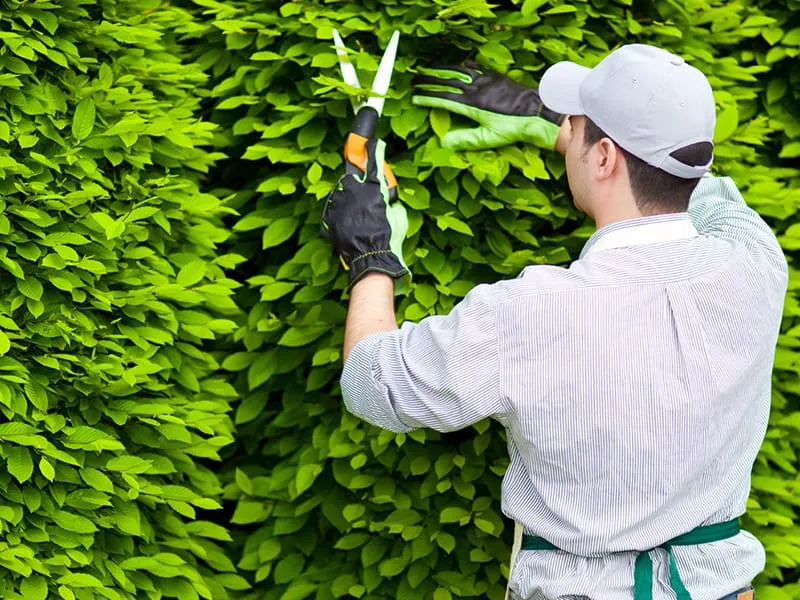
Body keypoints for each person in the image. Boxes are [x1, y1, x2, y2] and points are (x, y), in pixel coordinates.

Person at [320, 43, 787, 600]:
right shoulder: (755, 262)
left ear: (607, 157)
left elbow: (375, 384)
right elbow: (709, 190)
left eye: (575, 126)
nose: (566, 132)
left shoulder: (531, 312)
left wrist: (370, 254)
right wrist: (566, 129)